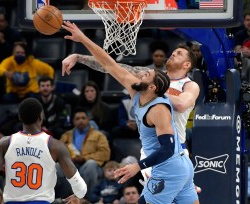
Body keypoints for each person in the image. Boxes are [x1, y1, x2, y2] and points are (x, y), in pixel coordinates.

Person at [62, 21, 199, 204]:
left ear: (187, 64)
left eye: (179, 53)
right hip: (163, 155)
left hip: (171, 154)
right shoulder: (149, 81)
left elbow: (182, 105)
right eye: (174, 52)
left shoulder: (184, 87)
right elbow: (111, 66)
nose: (174, 53)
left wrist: (155, 91)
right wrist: (80, 51)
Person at [0, 98, 87, 203]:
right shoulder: (55, 145)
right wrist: (79, 192)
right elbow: (77, 182)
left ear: (20, 117)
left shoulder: (5, 143)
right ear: (41, 116)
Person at [59, 107, 111, 198]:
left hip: (90, 166)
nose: (80, 121)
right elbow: (58, 153)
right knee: (57, 166)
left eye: (83, 118)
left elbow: (105, 154)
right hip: (72, 165)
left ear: (88, 120)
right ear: (73, 121)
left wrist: (84, 158)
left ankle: (88, 199)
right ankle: (62, 199)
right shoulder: (66, 135)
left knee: (90, 164)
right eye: (77, 119)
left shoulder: (98, 135)